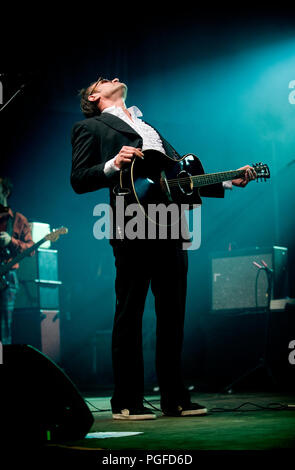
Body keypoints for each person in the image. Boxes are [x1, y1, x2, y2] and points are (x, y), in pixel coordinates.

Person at [71, 77, 256, 420]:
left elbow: (177, 178)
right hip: (132, 221)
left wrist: (228, 181)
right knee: (130, 313)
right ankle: (126, 401)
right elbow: (79, 178)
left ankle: (175, 398)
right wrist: (113, 164)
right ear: (95, 96)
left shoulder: (147, 125)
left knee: (172, 314)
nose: (113, 78)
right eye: (103, 80)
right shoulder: (90, 127)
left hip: (170, 222)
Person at [0, 177, 34, 345]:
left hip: (6, 278)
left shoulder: (18, 220)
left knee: (3, 326)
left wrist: (10, 241)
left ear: (5, 192)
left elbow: (31, 249)